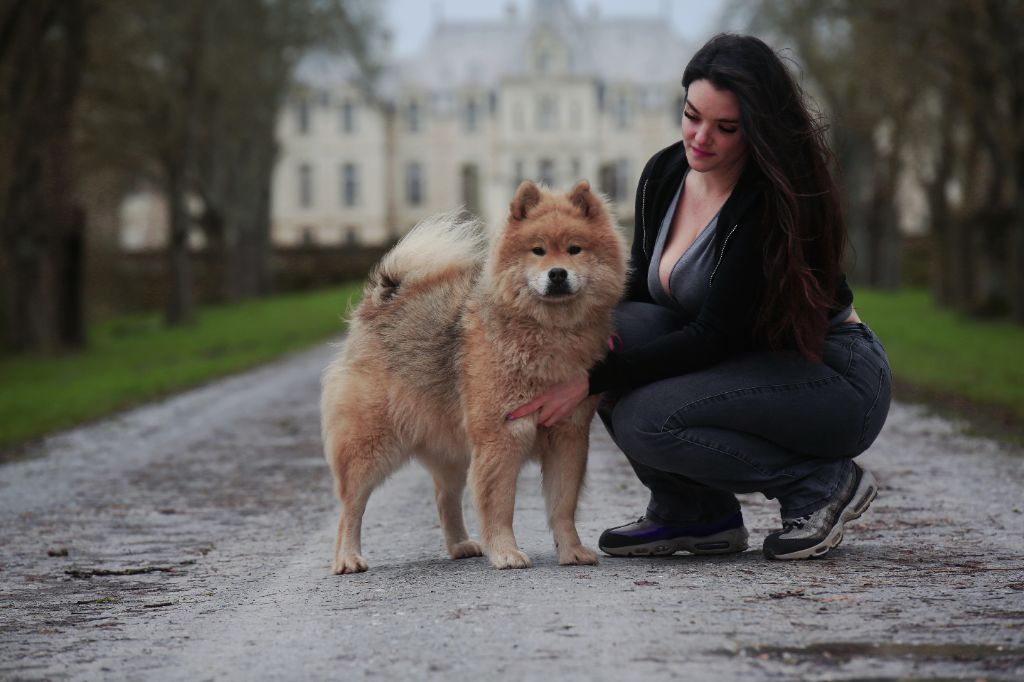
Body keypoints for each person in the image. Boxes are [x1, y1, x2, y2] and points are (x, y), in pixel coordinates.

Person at [508, 33, 892, 561]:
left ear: (757, 129)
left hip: (827, 375)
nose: (700, 137)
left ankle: (819, 484)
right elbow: (639, 298)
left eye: (725, 127)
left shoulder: (770, 203)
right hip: (744, 361)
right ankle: (693, 512)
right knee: (607, 333)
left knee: (648, 416)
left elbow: (715, 336)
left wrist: (590, 379)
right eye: (691, 115)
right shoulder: (665, 174)